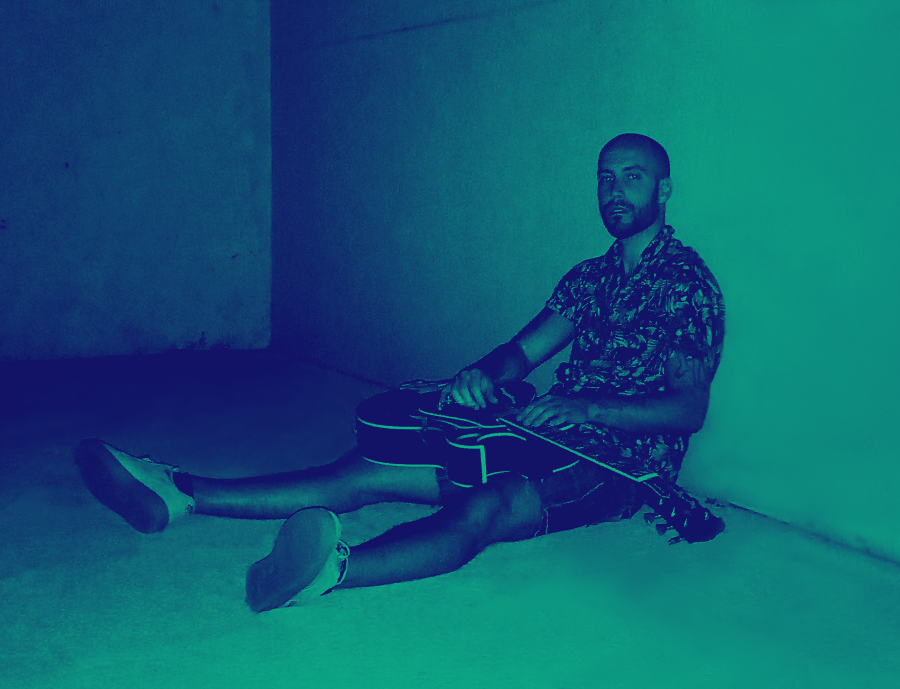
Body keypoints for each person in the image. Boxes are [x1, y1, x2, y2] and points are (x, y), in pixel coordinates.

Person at [75, 133, 725, 613]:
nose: (615, 190)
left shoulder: (687, 283)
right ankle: (183, 491)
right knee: (363, 469)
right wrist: (480, 373)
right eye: (605, 178)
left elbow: (688, 408)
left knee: (485, 505)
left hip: (618, 465)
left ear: (663, 189)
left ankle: (330, 570)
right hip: (540, 429)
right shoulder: (591, 276)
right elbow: (522, 353)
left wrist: (587, 409)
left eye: (632, 177)